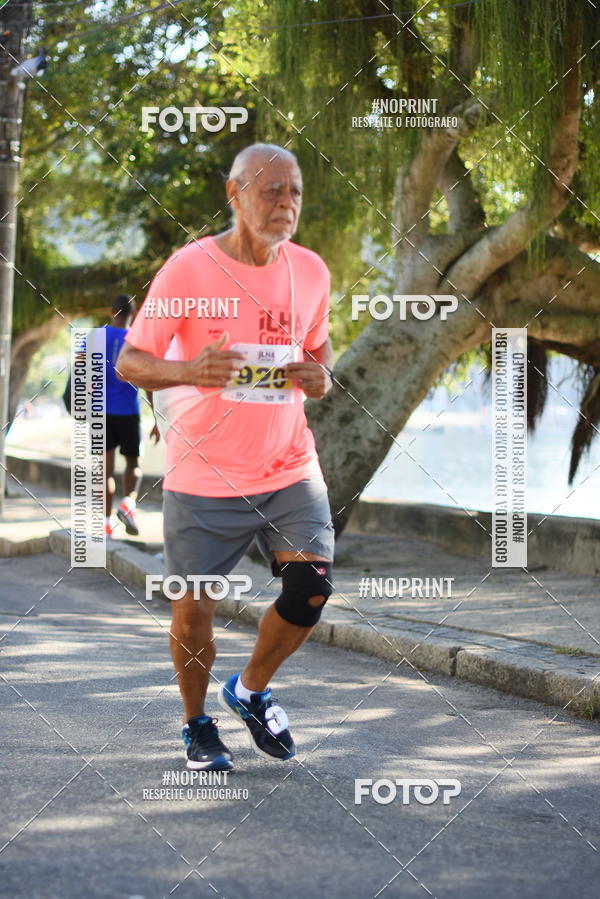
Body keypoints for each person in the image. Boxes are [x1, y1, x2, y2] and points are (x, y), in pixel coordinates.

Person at [117, 143, 335, 771]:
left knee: (311, 588)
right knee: (193, 611)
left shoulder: (312, 271)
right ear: (234, 193)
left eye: (294, 190)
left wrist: (319, 376)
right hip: (204, 475)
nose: (285, 203)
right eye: (270, 190)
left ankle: (251, 688)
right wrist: (188, 368)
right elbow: (133, 361)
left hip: (289, 466)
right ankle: (196, 724)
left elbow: (318, 354)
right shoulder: (189, 270)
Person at [104, 294, 158, 537]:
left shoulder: (96, 337)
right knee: (133, 462)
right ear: (133, 314)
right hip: (128, 412)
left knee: (104, 471)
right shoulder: (136, 340)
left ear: (111, 311)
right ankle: (127, 504)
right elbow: (148, 380)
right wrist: (157, 418)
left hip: (101, 412)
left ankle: (105, 525)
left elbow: (81, 370)